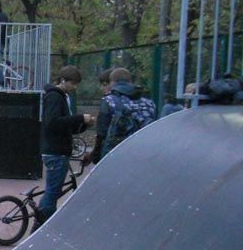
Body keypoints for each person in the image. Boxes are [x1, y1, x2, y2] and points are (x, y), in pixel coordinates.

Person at [39, 66, 93, 225]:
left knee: (52, 190)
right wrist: (79, 118)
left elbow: (66, 126)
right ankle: (41, 225)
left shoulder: (61, 97)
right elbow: (53, 123)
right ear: (63, 80)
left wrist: (83, 124)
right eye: (73, 83)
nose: (74, 87)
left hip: (58, 150)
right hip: (56, 151)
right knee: (53, 192)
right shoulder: (55, 97)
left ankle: (40, 218)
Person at [90, 68, 156, 163]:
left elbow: (102, 133)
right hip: (143, 152)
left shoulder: (109, 101)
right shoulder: (149, 103)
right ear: (131, 81)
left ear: (112, 82)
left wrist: (96, 155)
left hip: (117, 153)